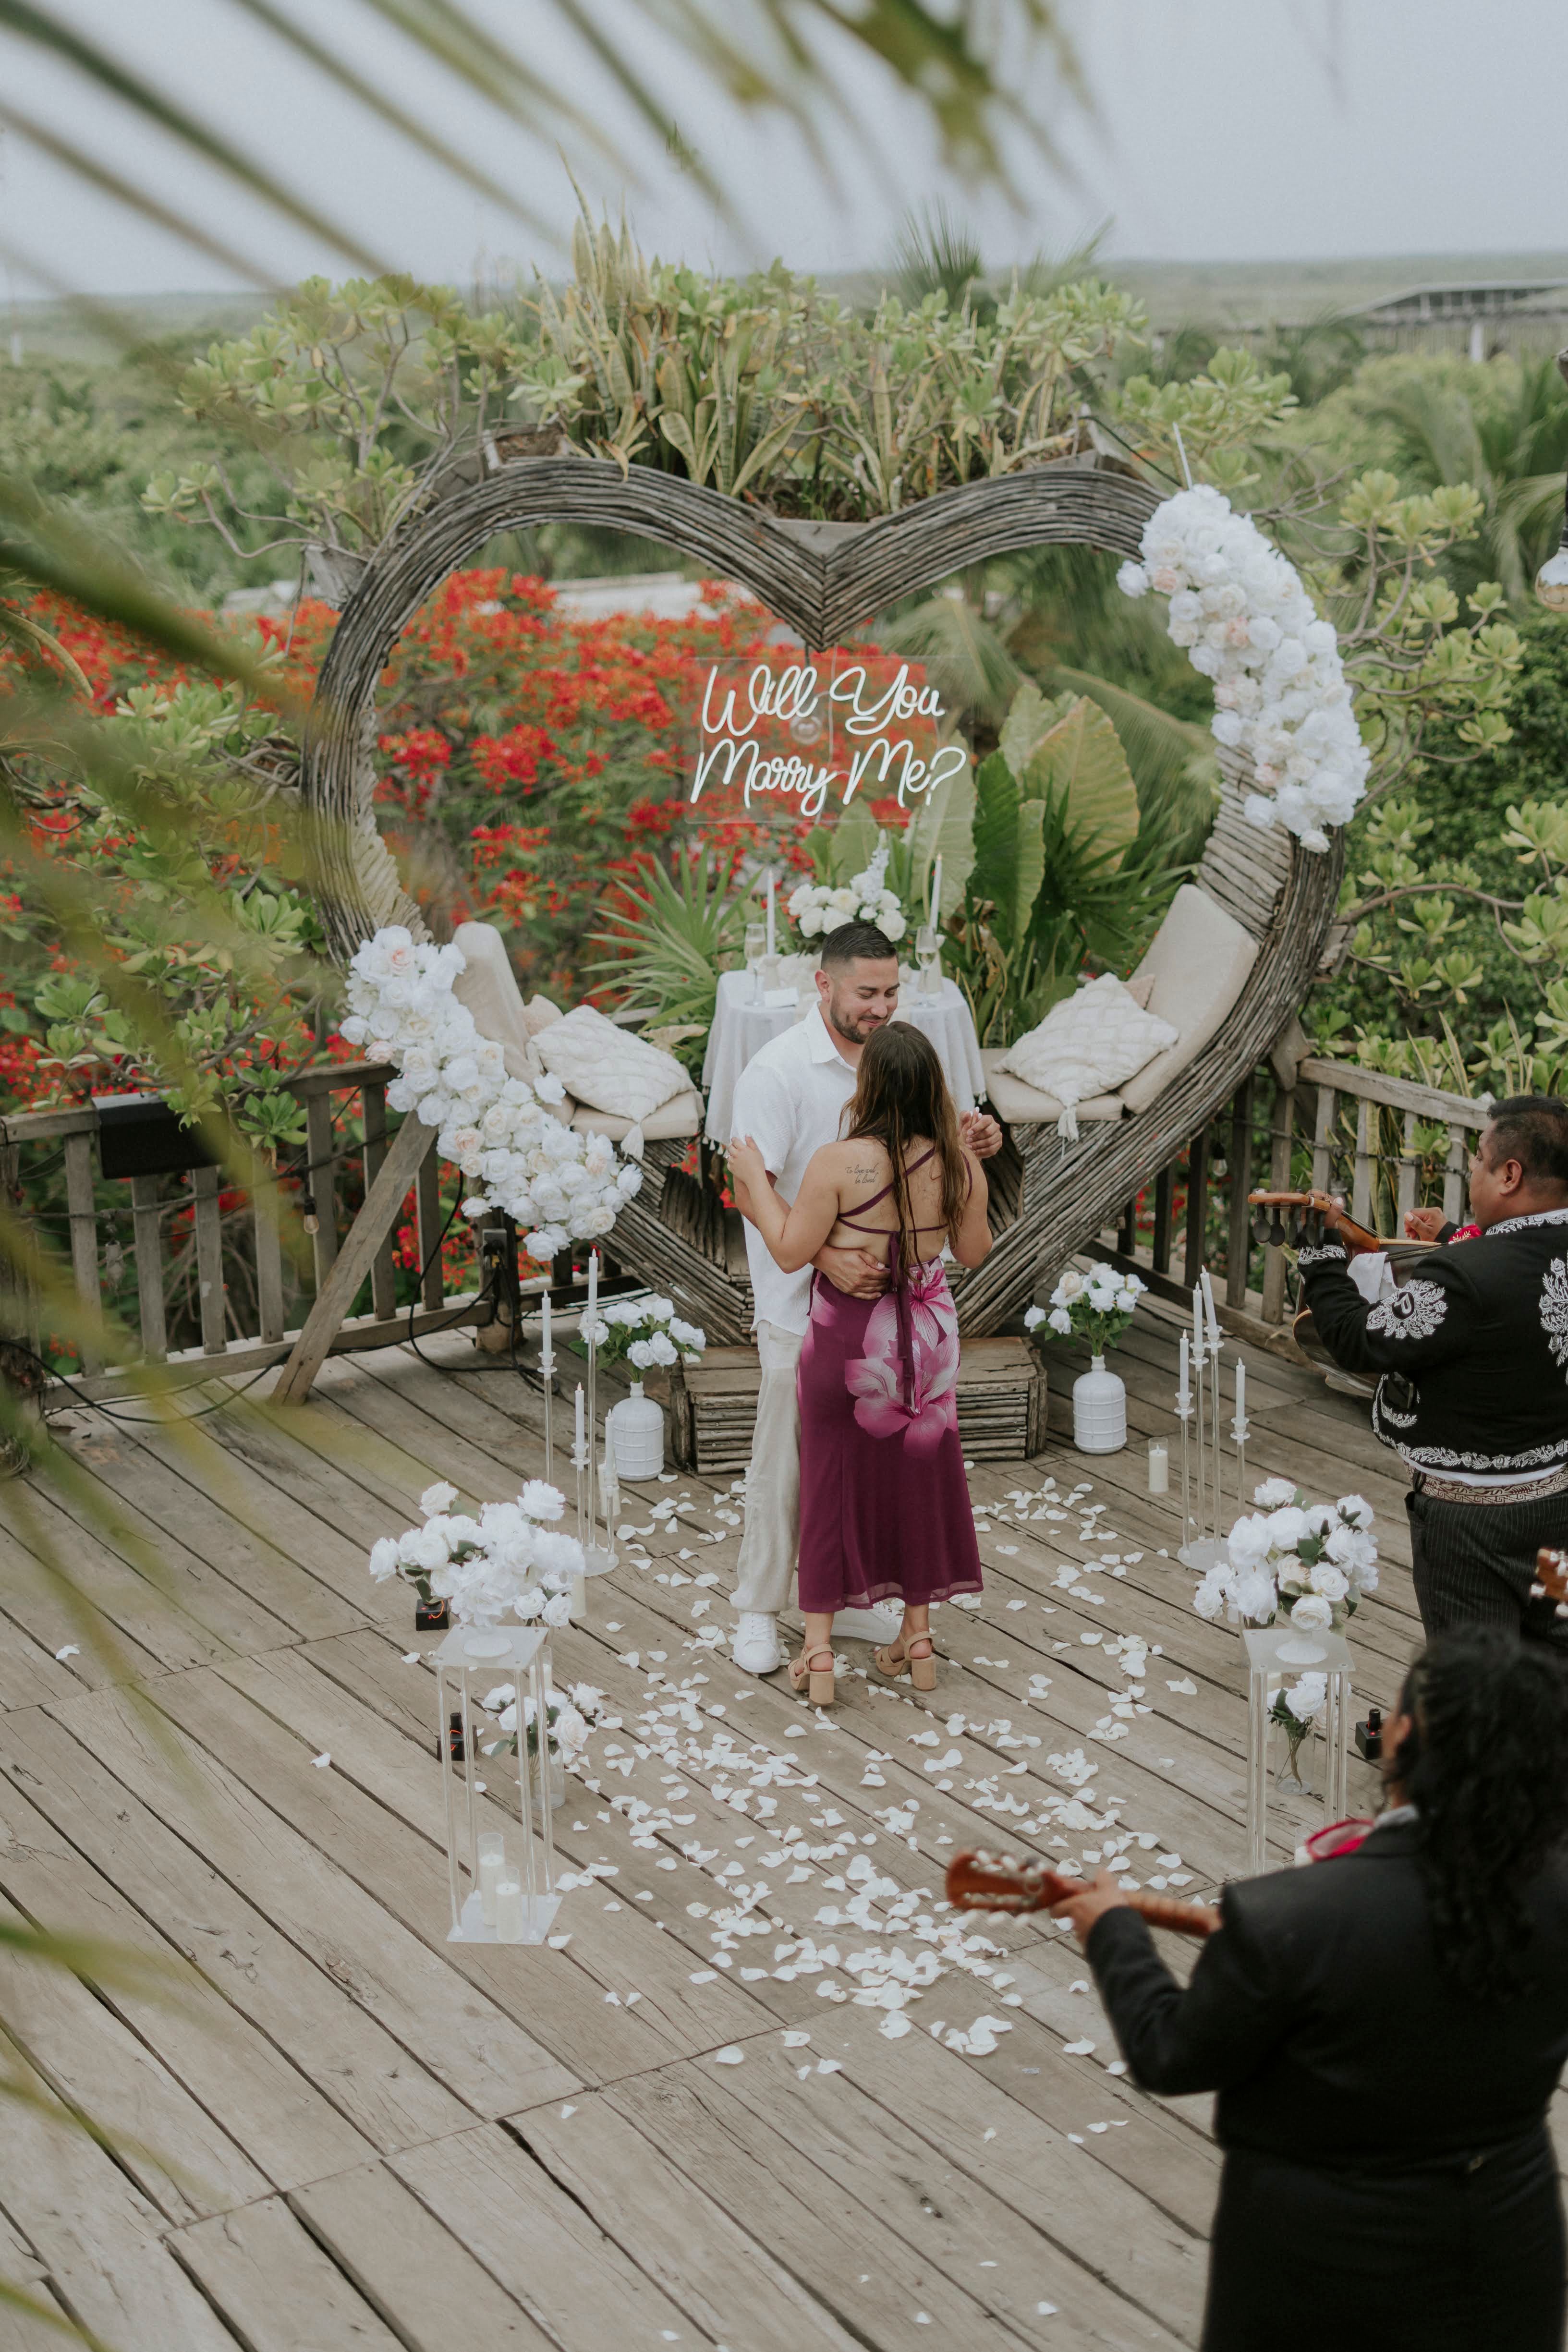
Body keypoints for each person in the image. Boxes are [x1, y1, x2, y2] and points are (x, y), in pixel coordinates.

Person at [1050, 1627, 1568, 2351]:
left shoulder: (1286, 1919)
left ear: (1405, 1737)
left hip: (1322, 2268)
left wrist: (1114, 1933)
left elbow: (1171, 2053)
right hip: (1504, 2240)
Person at [725, 920, 1002, 1676]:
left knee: (859, 1463)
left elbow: (936, 1164)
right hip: (799, 1302)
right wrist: (828, 1257)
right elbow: (747, 1189)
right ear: (824, 984)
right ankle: (756, 1608)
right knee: (786, 1460)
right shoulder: (776, 1073)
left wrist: (976, 1146)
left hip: (889, 1314)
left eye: (890, 992)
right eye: (866, 992)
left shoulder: (904, 1063)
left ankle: (843, 1597)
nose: (881, 1006)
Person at [1297, 1094, 1568, 1643]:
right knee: (1557, 1652)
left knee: (1475, 1690)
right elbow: (1517, 1285)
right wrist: (1450, 1239)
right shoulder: (1480, 1262)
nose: (1470, 1166)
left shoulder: (1464, 1275)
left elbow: (1359, 1340)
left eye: (1478, 1157)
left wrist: (1321, 1257)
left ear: (1509, 1174)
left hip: (1470, 1537)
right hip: (1558, 1525)